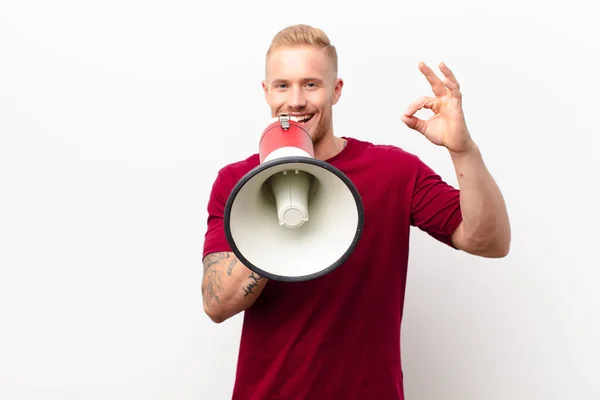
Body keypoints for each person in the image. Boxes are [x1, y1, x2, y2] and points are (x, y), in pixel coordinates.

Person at [201, 24, 510, 400]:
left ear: (336, 90)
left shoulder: (393, 171)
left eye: (311, 84)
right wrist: (275, 198)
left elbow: (489, 241)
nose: (295, 101)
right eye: (282, 85)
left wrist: (463, 150)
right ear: (266, 92)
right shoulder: (235, 182)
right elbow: (217, 304)